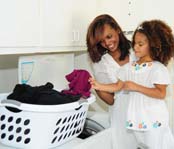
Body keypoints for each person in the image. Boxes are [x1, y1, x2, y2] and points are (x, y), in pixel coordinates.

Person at [89, 20, 174, 149]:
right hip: (136, 120)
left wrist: (136, 87)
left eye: (140, 44)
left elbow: (161, 93)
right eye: (134, 43)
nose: (135, 47)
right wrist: (98, 85)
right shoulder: (128, 68)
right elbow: (117, 86)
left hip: (154, 120)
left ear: (153, 45)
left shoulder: (158, 69)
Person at [86, 14, 137, 149]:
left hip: (145, 114)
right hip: (121, 119)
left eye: (109, 36)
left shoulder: (137, 50)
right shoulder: (100, 63)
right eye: (101, 41)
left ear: (117, 30)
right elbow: (111, 100)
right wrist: (97, 87)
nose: (107, 43)